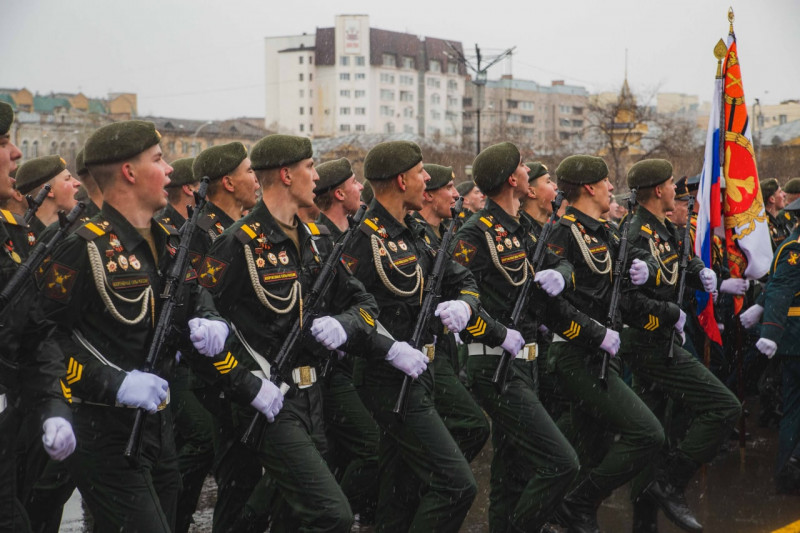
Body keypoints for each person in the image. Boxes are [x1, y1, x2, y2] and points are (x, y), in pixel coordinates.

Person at [39, 120, 229, 532]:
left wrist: (210, 322)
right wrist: (114, 382)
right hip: (104, 431)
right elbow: (45, 339)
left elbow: (196, 300)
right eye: (158, 160)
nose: (170, 172)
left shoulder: (170, 241)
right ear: (129, 172)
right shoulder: (82, 248)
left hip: (158, 430)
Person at [198, 134, 379, 532]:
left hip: (314, 398)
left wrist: (343, 325)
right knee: (333, 515)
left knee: (292, 519)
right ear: (285, 174)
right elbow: (202, 319)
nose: (317, 176)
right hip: (271, 402)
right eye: (310, 167)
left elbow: (364, 305)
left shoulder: (315, 241)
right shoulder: (238, 243)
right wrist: (246, 383)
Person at [342, 140, 482, 532]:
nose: (427, 179)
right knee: (457, 485)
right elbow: (345, 316)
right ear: (401, 180)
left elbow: (463, 278)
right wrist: (389, 349)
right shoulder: (361, 240)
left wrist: (465, 306)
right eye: (421, 173)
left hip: (424, 371)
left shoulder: (416, 231)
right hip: (388, 379)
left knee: (400, 490)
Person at [453, 144, 580, 532]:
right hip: (494, 362)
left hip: (525, 361)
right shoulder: (475, 232)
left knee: (511, 474)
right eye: (524, 167)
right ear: (512, 179)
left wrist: (563, 273)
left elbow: (557, 261)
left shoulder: (523, 228)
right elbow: (458, 297)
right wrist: (495, 333)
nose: (529, 171)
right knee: (562, 462)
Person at [544, 154, 668, 533]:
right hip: (577, 354)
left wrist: (647, 265)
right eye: (606, 182)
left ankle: (575, 513)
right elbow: (553, 306)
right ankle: (577, 503)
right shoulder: (563, 232)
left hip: (603, 354)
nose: (613, 188)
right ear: (589, 188)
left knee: (589, 450)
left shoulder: (606, 231)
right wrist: (597, 333)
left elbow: (635, 259)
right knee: (648, 433)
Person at [620, 159, 741, 533]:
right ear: (658, 190)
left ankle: (645, 522)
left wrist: (697, 272)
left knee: (652, 436)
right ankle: (669, 482)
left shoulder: (667, 228)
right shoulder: (637, 231)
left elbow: (675, 267)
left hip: (664, 340)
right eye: (673, 184)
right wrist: (672, 313)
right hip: (648, 342)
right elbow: (630, 301)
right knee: (724, 406)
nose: (677, 191)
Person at [0, 100, 76, 533]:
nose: (15, 153)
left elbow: (36, 327)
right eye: (5, 143)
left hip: (22, 401)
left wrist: (50, 401)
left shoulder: (18, 237)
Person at [311, 157, 379, 525]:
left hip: (349, 361)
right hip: (324, 368)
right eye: (353, 183)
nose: (359, 188)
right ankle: (334, 515)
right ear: (339, 193)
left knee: (339, 452)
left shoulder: (348, 235)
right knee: (368, 448)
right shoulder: (319, 238)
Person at [415, 163, 490, 463]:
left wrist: (464, 305)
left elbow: (464, 279)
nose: (455, 195)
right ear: (429, 196)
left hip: (444, 345)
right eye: (448, 188)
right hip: (421, 349)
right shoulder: (421, 235)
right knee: (472, 424)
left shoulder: (444, 233)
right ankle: (443, 480)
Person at [754, 196, 800, 493]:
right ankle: (789, 472)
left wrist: (758, 306)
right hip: (796, 337)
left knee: (795, 407)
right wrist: (770, 331)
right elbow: (780, 286)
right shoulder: (794, 249)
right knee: (794, 408)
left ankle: (789, 472)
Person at [13, 155, 80, 237]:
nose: (77, 183)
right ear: (48, 189)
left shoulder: (78, 229)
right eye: (67, 178)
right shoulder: (20, 237)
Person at [763, 178, 791, 250]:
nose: (784, 194)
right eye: (780, 192)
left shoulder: (781, 221)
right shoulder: (764, 225)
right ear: (772, 199)